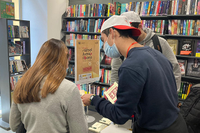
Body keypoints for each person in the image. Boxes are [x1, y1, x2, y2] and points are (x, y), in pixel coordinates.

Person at [81, 15, 188, 133]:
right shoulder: (156, 54)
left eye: (103, 40)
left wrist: (93, 99)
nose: (103, 46)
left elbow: (119, 115)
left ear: (112, 33)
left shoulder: (130, 66)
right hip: (176, 123)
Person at [9, 39, 88, 133]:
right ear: (64, 61)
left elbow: (14, 125)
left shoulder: (21, 84)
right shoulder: (69, 89)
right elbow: (80, 130)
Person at [111, 11, 181, 92]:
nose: (128, 35)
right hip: (130, 98)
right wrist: (115, 97)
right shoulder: (121, 44)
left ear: (140, 26)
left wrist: (172, 94)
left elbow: (174, 69)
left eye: (131, 30)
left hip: (156, 96)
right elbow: (115, 72)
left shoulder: (159, 43)